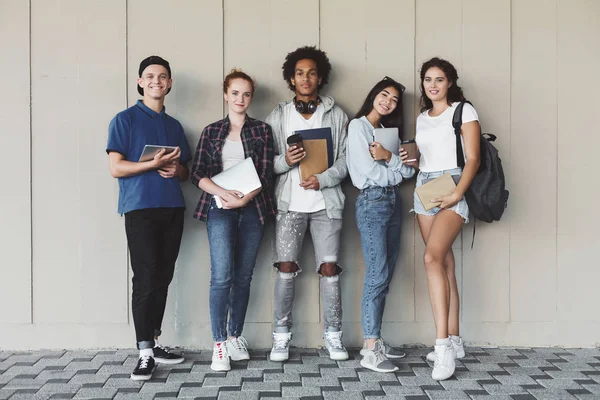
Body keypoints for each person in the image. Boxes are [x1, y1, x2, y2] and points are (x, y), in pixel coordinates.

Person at [106, 55, 191, 381]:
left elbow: (184, 172)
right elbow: (116, 168)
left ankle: (154, 343)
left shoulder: (174, 126)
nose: (157, 81)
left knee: (163, 277)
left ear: (169, 84)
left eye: (163, 76)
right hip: (140, 209)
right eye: (150, 76)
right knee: (144, 277)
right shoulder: (124, 120)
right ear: (140, 81)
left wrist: (175, 169)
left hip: (172, 208)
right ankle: (143, 353)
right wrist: (151, 165)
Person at [266, 46, 349, 362]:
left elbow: (344, 161)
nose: (305, 77)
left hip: (326, 205)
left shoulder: (336, 114)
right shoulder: (279, 115)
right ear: (291, 77)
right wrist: (285, 161)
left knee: (329, 270)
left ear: (321, 77)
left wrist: (323, 179)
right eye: (299, 72)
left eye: (312, 72)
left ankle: (333, 336)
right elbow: (267, 163)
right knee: (285, 270)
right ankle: (281, 337)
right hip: (289, 205)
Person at [190, 69, 276, 372]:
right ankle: (218, 342)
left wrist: (244, 198)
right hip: (219, 207)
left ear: (251, 97)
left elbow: (266, 174)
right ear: (226, 94)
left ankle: (235, 336)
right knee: (222, 276)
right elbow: (197, 173)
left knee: (243, 276)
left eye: (246, 94)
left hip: (253, 208)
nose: (240, 99)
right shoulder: (211, 131)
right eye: (235, 93)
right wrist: (223, 193)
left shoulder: (262, 130)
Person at [413, 57, 481, 381]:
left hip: (453, 185)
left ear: (449, 82)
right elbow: (425, 158)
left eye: (439, 79)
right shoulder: (422, 117)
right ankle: (454, 339)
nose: (433, 85)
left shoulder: (464, 111)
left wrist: (457, 194)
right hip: (424, 186)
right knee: (444, 264)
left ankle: (442, 348)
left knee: (430, 258)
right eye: (428, 79)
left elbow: (473, 159)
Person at [347, 76, 415, 372]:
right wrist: (395, 170)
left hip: (393, 202)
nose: (388, 101)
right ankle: (370, 348)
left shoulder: (389, 133)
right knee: (377, 273)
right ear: (373, 94)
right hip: (372, 201)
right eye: (384, 95)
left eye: (394, 99)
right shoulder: (358, 127)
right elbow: (367, 173)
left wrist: (390, 158)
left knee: (385, 273)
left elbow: (409, 173)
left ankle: (377, 340)